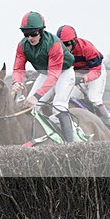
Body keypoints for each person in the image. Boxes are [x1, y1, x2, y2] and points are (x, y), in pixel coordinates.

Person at [11, 11, 76, 142]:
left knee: (59, 106)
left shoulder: (54, 44)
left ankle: (71, 145)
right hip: (45, 73)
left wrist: (36, 96)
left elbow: (53, 76)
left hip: (64, 73)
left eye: (33, 33)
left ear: (41, 31)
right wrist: (16, 82)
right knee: (30, 107)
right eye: (26, 34)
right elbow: (18, 68)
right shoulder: (22, 46)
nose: (30, 38)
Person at [57, 24, 110, 132]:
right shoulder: (58, 52)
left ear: (74, 41)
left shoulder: (86, 47)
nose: (65, 48)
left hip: (95, 71)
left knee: (94, 98)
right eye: (61, 44)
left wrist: (84, 79)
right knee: (67, 97)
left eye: (67, 44)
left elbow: (96, 70)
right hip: (77, 74)